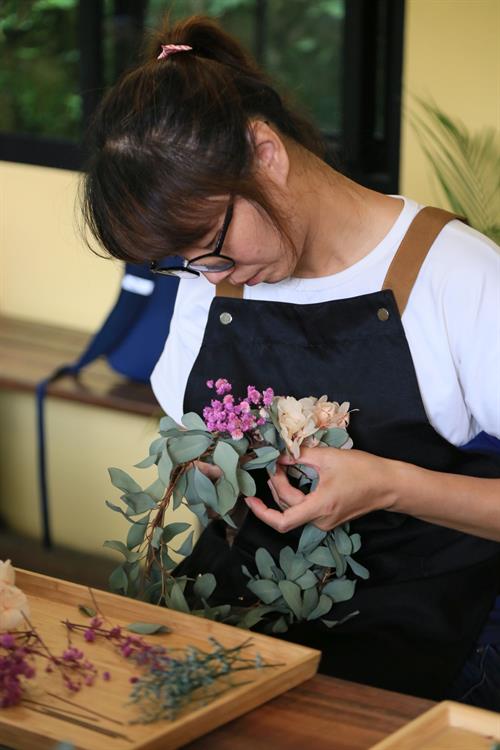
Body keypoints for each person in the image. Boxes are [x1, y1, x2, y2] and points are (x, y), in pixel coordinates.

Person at [80, 16, 500, 704]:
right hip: (245, 619)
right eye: (181, 262)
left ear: (264, 152)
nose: (207, 275)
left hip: (430, 633)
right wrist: (211, 461)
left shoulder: (458, 279)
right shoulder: (212, 273)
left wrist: (392, 483)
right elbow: (190, 425)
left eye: (208, 246)